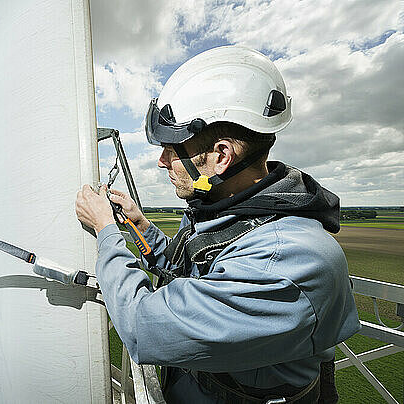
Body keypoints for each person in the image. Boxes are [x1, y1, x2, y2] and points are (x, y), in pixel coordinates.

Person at [75, 46, 360, 403]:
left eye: (171, 148)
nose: (162, 162)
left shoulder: (287, 260)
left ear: (221, 156)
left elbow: (141, 327)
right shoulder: (231, 213)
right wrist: (139, 225)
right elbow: (187, 268)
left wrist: (106, 231)